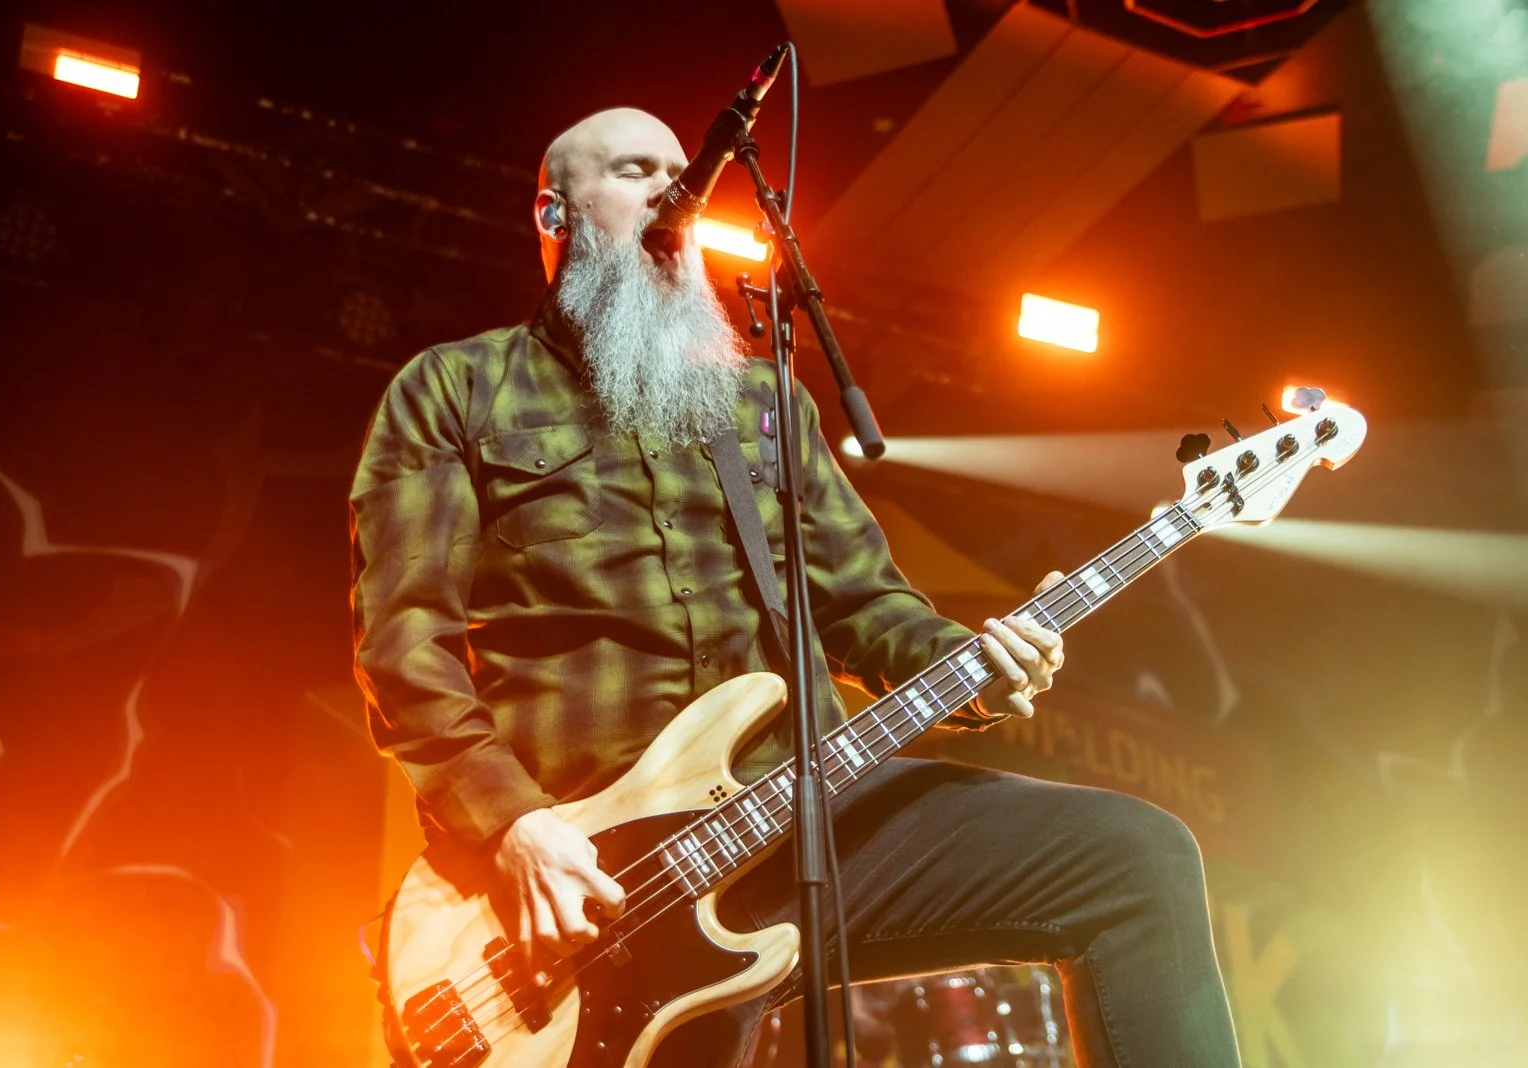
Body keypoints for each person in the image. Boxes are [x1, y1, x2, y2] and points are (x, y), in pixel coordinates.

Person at [350, 107, 1241, 1068]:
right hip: (595, 883)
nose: (669, 189)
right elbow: (405, 649)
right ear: (556, 212)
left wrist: (975, 661)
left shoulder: (764, 402)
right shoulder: (456, 390)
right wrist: (514, 829)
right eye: (634, 170)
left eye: (678, 172)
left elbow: (862, 604)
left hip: (802, 811)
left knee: (1133, 861)